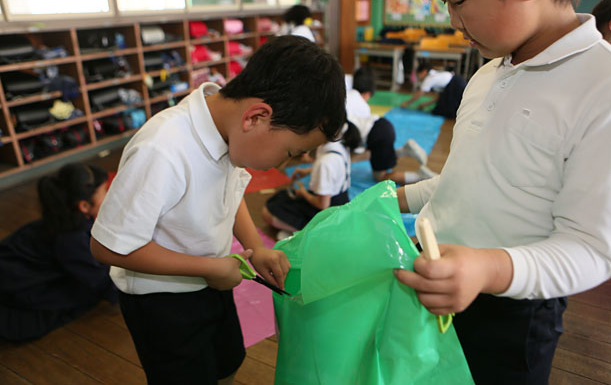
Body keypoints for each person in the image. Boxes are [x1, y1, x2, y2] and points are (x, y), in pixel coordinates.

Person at [394, 0, 611, 384]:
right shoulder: (487, 73)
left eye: (459, 1)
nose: (453, 21)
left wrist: (486, 269)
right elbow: (466, 179)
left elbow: (591, 249)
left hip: (513, 312)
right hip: (434, 276)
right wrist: (393, 198)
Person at [89, 35, 346, 384]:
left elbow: (229, 191)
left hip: (212, 276)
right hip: (163, 301)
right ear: (256, 117)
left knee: (227, 362)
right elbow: (107, 246)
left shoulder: (229, 130)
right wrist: (208, 268)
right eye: (289, 153)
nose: (284, 164)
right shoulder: (162, 149)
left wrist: (255, 249)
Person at [0, 163, 117, 342]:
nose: (109, 196)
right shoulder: (70, 240)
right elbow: (103, 283)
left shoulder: (64, 220)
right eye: (105, 192)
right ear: (84, 205)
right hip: (16, 285)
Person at [261, 121, 361, 239]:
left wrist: (303, 193)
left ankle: (311, 234)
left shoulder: (325, 163)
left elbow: (323, 205)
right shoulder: (341, 145)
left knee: (267, 212)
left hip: (327, 211)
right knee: (280, 198)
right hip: (341, 201)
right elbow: (335, 170)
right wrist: (309, 170)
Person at [346, 66, 437, 185]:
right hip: (383, 125)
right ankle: (404, 151)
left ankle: (420, 177)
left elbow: (357, 148)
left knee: (379, 176)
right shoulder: (358, 102)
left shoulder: (347, 97)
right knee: (376, 153)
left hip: (377, 135)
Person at [401, 62, 467, 118]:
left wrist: (406, 103)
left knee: (444, 111)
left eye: (418, 75)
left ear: (424, 71)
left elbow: (419, 94)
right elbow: (439, 98)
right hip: (458, 81)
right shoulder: (434, 74)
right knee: (440, 107)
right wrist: (425, 104)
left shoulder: (429, 79)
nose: (418, 78)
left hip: (456, 86)